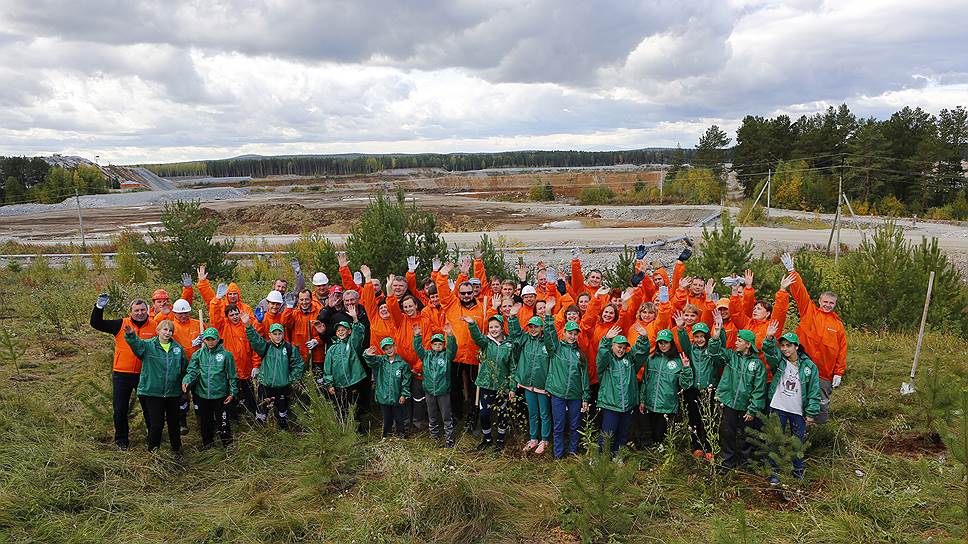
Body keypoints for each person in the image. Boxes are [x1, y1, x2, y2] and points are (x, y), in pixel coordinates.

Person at [782, 253, 847, 424]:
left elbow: (842, 350)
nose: (827, 305)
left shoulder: (838, 325)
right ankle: (797, 429)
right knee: (797, 398)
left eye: (831, 303)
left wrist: (838, 372)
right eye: (825, 302)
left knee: (821, 401)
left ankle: (820, 431)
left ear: (835, 304)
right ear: (819, 301)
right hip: (801, 365)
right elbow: (800, 292)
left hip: (824, 372)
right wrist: (792, 271)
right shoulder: (808, 311)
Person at [90, 294, 157, 449]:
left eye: (142, 310)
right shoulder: (121, 324)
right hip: (122, 374)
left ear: (147, 310)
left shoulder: (154, 326)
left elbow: (168, 334)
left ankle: (153, 439)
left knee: (149, 408)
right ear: (130, 312)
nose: (140, 313)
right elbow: (96, 323)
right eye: (136, 310)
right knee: (120, 409)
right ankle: (121, 441)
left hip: (145, 374)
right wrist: (99, 307)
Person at [762, 320, 821, 483]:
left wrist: (811, 412)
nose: (785, 349)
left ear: (796, 346)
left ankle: (798, 471)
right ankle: (775, 473)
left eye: (789, 345)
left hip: (797, 410)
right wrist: (769, 338)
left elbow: (814, 391)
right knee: (775, 439)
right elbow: (769, 353)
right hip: (778, 406)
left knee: (797, 441)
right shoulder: (779, 362)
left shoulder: (809, 366)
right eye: (783, 346)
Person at [708, 314, 767, 472]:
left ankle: (746, 463)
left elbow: (759, 389)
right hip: (728, 402)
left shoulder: (757, 365)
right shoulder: (730, 356)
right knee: (727, 432)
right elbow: (714, 353)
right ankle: (728, 461)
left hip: (746, 406)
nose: (736, 342)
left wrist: (753, 409)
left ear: (748, 344)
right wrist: (716, 336)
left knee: (747, 435)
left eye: (739, 341)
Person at [436, 263, 487, 432]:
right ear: (458, 293)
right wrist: (443, 275)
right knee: (454, 387)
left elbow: (488, 329)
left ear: (474, 292)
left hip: (474, 356)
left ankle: (473, 417)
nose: (466, 296)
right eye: (463, 293)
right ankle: (456, 415)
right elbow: (442, 290)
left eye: (469, 293)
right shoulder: (451, 305)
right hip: (455, 354)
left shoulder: (482, 309)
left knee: (474, 390)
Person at [124, 319, 188, 453]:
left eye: (170, 330)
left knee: (174, 423)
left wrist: (184, 385)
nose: (167, 332)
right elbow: (136, 346)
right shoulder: (148, 346)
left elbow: (183, 369)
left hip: (173, 393)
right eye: (165, 329)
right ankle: (153, 452)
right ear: (158, 331)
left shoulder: (178, 349)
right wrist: (131, 335)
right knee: (156, 424)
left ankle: (176, 450)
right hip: (153, 392)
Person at [543, 301, 590, 459]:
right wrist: (549, 314)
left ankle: (572, 451)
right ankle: (558, 454)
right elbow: (549, 335)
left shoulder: (580, 353)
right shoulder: (556, 349)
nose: (572, 336)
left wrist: (585, 397)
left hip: (575, 396)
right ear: (564, 332)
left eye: (575, 333)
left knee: (575, 425)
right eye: (570, 333)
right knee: (558, 425)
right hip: (558, 394)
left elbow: (584, 377)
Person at [152, 298, 204, 435]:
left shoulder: (198, 324)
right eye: (180, 313)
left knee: (199, 395)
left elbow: (211, 339)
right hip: (179, 366)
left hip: (198, 365)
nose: (183, 315)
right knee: (182, 395)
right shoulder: (171, 328)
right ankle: (182, 423)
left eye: (186, 312)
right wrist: (191, 344)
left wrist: (205, 338)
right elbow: (156, 326)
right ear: (174, 313)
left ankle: (201, 421)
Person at [243, 316, 305, 430]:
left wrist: (290, 378)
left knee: (282, 411)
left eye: (279, 333)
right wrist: (248, 326)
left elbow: (299, 365)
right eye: (274, 334)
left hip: (282, 387)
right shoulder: (265, 346)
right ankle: (262, 432)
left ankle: (283, 432)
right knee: (262, 411)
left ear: (283, 335)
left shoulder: (290, 348)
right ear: (270, 335)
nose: (277, 336)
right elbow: (255, 340)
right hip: (265, 385)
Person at [636, 324, 693, 446]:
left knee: (660, 435)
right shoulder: (651, 359)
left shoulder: (678, 361)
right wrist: (642, 400)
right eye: (660, 342)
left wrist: (686, 368)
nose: (663, 345)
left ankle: (660, 458)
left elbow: (685, 384)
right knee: (647, 433)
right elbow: (645, 381)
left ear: (671, 343)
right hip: (650, 403)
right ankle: (648, 456)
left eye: (665, 342)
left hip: (667, 405)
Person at [596, 326, 649, 456]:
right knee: (608, 433)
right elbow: (602, 354)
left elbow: (641, 352)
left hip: (627, 405)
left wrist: (643, 338)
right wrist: (606, 339)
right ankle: (601, 458)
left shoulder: (630, 360)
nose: (622, 350)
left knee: (622, 433)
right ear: (613, 346)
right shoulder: (607, 361)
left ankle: (616, 455)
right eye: (619, 347)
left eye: (624, 348)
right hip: (611, 404)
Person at [182, 327, 238, 449]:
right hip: (202, 395)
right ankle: (208, 444)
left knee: (223, 422)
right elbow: (191, 371)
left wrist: (232, 392)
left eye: (213, 339)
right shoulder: (198, 354)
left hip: (220, 395)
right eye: (208, 339)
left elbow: (232, 375)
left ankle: (228, 445)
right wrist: (187, 380)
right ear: (204, 340)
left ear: (218, 339)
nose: (210, 342)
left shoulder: (226, 355)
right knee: (205, 422)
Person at [464, 315, 514, 451]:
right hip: (486, 384)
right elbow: (477, 337)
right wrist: (472, 324)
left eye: (496, 326)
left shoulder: (509, 345)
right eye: (491, 327)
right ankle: (487, 438)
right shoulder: (486, 342)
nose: (493, 329)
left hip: (502, 386)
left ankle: (500, 439)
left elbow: (513, 367)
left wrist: (512, 387)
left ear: (502, 328)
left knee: (502, 413)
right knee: (484, 413)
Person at [508, 307, 551, 454]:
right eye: (531, 327)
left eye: (536, 326)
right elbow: (515, 333)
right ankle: (533, 439)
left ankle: (545, 440)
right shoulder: (525, 339)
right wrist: (513, 317)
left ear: (541, 327)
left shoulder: (547, 342)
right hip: (528, 384)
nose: (533, 329)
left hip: (543, 385)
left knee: (544, 414)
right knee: (532, 413)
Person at [413, 324, 458, 447]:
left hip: (443, 392)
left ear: (443, 345)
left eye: (440, 344)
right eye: (435, 344)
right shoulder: (426, 355)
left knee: (446, 416)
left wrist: (450, 335)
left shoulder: (447, 356)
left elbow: (453, 349)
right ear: (431, 345)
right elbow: (418, 349)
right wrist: (417, 336)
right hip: (429, 392)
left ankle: (449, 439)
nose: (437, 346)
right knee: (432, 416)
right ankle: (434, 437)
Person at [319, 308, 368, 424]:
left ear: (349, 331)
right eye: (338, 330)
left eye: (343, 329)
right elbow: (327, 369)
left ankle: (358, 430)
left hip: (354, 381)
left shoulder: (352, 344)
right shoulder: (332, 349)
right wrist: (329, 384)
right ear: (336, 333)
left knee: (355, 407)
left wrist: (355, 319)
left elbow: (359, 334)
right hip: (338, 384)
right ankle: (344, 429)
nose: (341, 332)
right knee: (342, 407)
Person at [363, 338, 412, 439]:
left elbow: (406, 381)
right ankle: (386, 435)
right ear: (383, 351)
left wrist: (404, 394)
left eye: (390, 347)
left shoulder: (402, 364)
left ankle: (401, 434)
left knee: (399, 417)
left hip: (396, 396)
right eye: (386, 349)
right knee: (386, 418)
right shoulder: (380, 361)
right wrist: (367, 354)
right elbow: (370, 361)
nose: (389, 350)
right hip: (383, 396)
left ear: (394, 346)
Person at [684, 322, 718, 455]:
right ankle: (696, 446)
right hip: (693, 389)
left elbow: (718, 346)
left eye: (702, 336)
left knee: (709, 418)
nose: (699, 339)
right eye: (696, 336)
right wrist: (681, 328)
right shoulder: (691, 350)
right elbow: (684, 341)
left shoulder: (711, 350)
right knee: (694, 418)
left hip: (708, 389)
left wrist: (717, 334)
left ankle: (710, 447)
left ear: (707, 337)